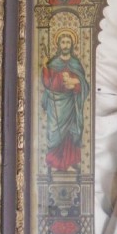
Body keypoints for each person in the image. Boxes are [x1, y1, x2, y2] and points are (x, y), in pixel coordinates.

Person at [42, 31, 89, 172]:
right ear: (59, 44)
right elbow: (47, 83)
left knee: (71, 132)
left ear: (72, 44)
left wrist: (75, 82)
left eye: (68, 42)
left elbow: (84, 84)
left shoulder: (75, 63)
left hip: (71, 102)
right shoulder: (53, 63)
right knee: (54, 132)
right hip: (55, 103)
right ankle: (53, 162)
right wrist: (45, 67)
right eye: (63, 42)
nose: (66, 45)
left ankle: (72, 161)